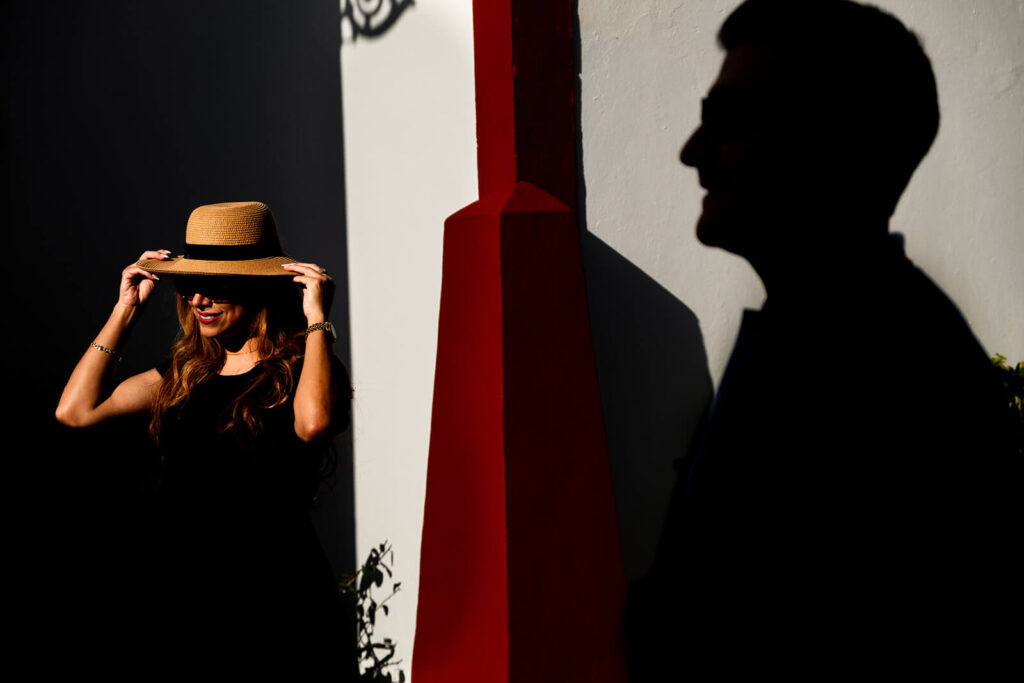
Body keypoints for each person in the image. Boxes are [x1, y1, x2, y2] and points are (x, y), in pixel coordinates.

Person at [628, 1, 1018, 677]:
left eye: (725, 121)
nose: (691, 152)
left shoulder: (886, 372)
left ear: (821, 143)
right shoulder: (825, 333)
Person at [56, 201, 351, 653]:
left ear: (258, 288)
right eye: (191, 284)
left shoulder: (300, 367)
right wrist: (125, 310)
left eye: (215, 285)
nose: (198, 299)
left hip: (277, 607)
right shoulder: (184, 375)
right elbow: (75, 411)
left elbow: (314, 425)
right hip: (186, 605)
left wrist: (317, 321)